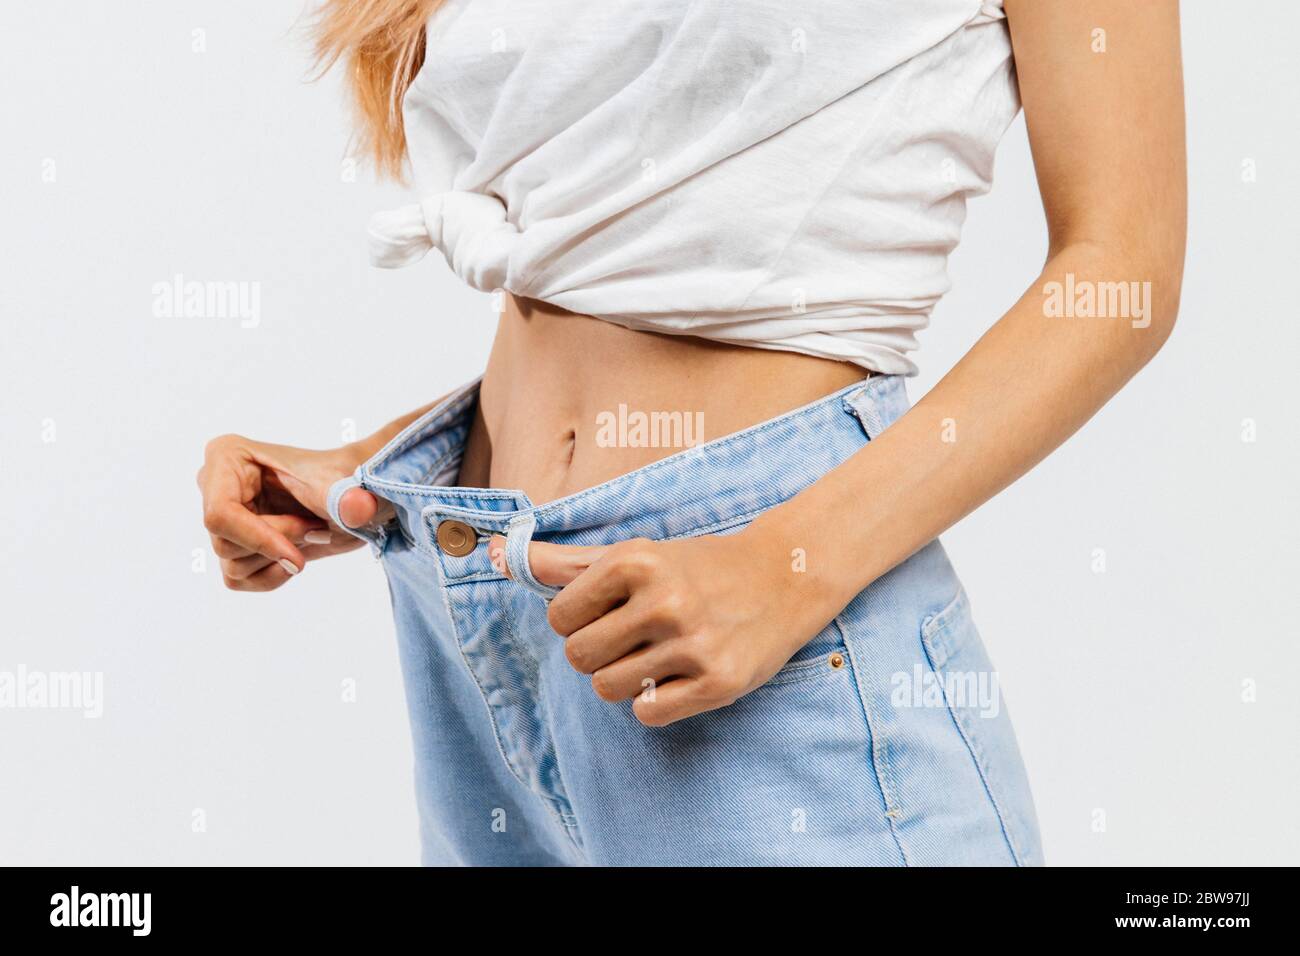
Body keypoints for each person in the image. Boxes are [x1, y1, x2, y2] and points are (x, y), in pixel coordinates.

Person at [197, 0, 1186, 865]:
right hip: (482, 620)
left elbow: (1122, 270)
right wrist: (386, 463)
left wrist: (786, 566)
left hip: (763, 634)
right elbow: (617, 256)